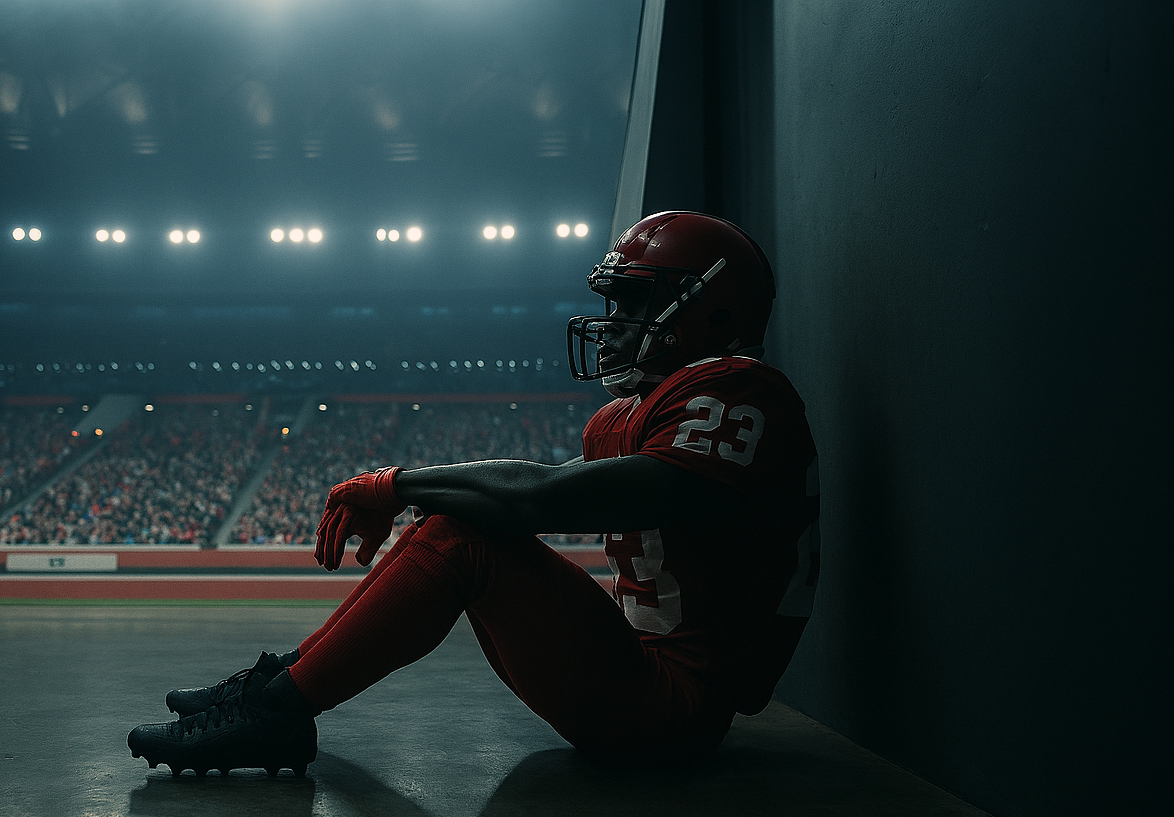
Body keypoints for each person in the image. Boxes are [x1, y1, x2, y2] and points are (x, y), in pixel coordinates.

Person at [128, 211, 820, 776]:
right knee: (458, 518)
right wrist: (412, 490)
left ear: (714, 310)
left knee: (464, 535)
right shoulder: (630, 415)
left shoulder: (738, 393)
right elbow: (534, 495)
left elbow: (538, 499)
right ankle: (281, 683)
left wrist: (398, 483)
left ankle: (276, 713)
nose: (613, 320)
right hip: (640, 672)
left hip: (676, 707)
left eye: (635, 300)